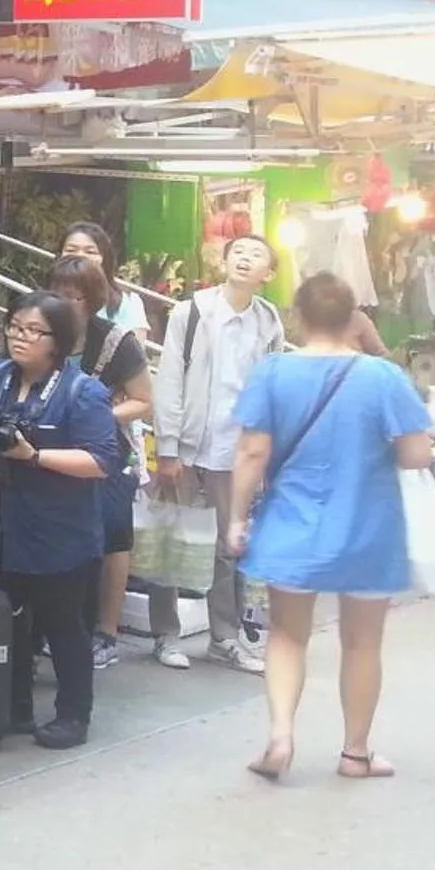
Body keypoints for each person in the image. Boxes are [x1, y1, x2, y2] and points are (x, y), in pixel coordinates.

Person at [233, 275, 435, 781]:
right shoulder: (383, 376)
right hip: (368, 525)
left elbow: (253, 452)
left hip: (292, 523)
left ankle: (281, 735)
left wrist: (236, 518)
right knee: (363, 643)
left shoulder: (273, 372)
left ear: (298, 316)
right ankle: (355, 754)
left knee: (287, 635)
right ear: (353, 320)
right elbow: (416, 454)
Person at [0, 293, 121, 751]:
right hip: (5, 521)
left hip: (63, 529)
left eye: (34, 331)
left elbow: (101, 461)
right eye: (15, 327)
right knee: (9, 619)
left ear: (58, 341)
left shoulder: (82, 392)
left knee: (63, 624)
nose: (20, 337)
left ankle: (73, 715)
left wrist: (35, 456)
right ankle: (11, 706)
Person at [149, 233, 285, 674]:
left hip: (237, 452)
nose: (244, 259)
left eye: (256, 255)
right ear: (224, 262)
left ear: (269, 273)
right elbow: (169, 379)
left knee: (229, 547)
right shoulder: (191, 313)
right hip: (189, 446)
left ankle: (224, 638)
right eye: (238, 252)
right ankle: (165, 635)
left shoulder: (268, 321)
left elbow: (272, 388)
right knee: (173, 541)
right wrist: (168, 447)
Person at [51, 255, 155, 670]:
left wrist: (97, 415)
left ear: (92, 299)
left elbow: (144, 400)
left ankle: (106, 632)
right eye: (58, 294)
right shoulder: (39, 330)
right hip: (49, 453)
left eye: (74, 297)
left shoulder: (115, 341)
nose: (64, 303)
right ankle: (55, 628)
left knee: (111, 535)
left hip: (106, 452)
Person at [59, 221, 149, 336]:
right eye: (71, 250)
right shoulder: (46, 297)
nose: (80, 256)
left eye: (90, 252)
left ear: (105, 258)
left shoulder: (129, 302)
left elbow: (136, 344)